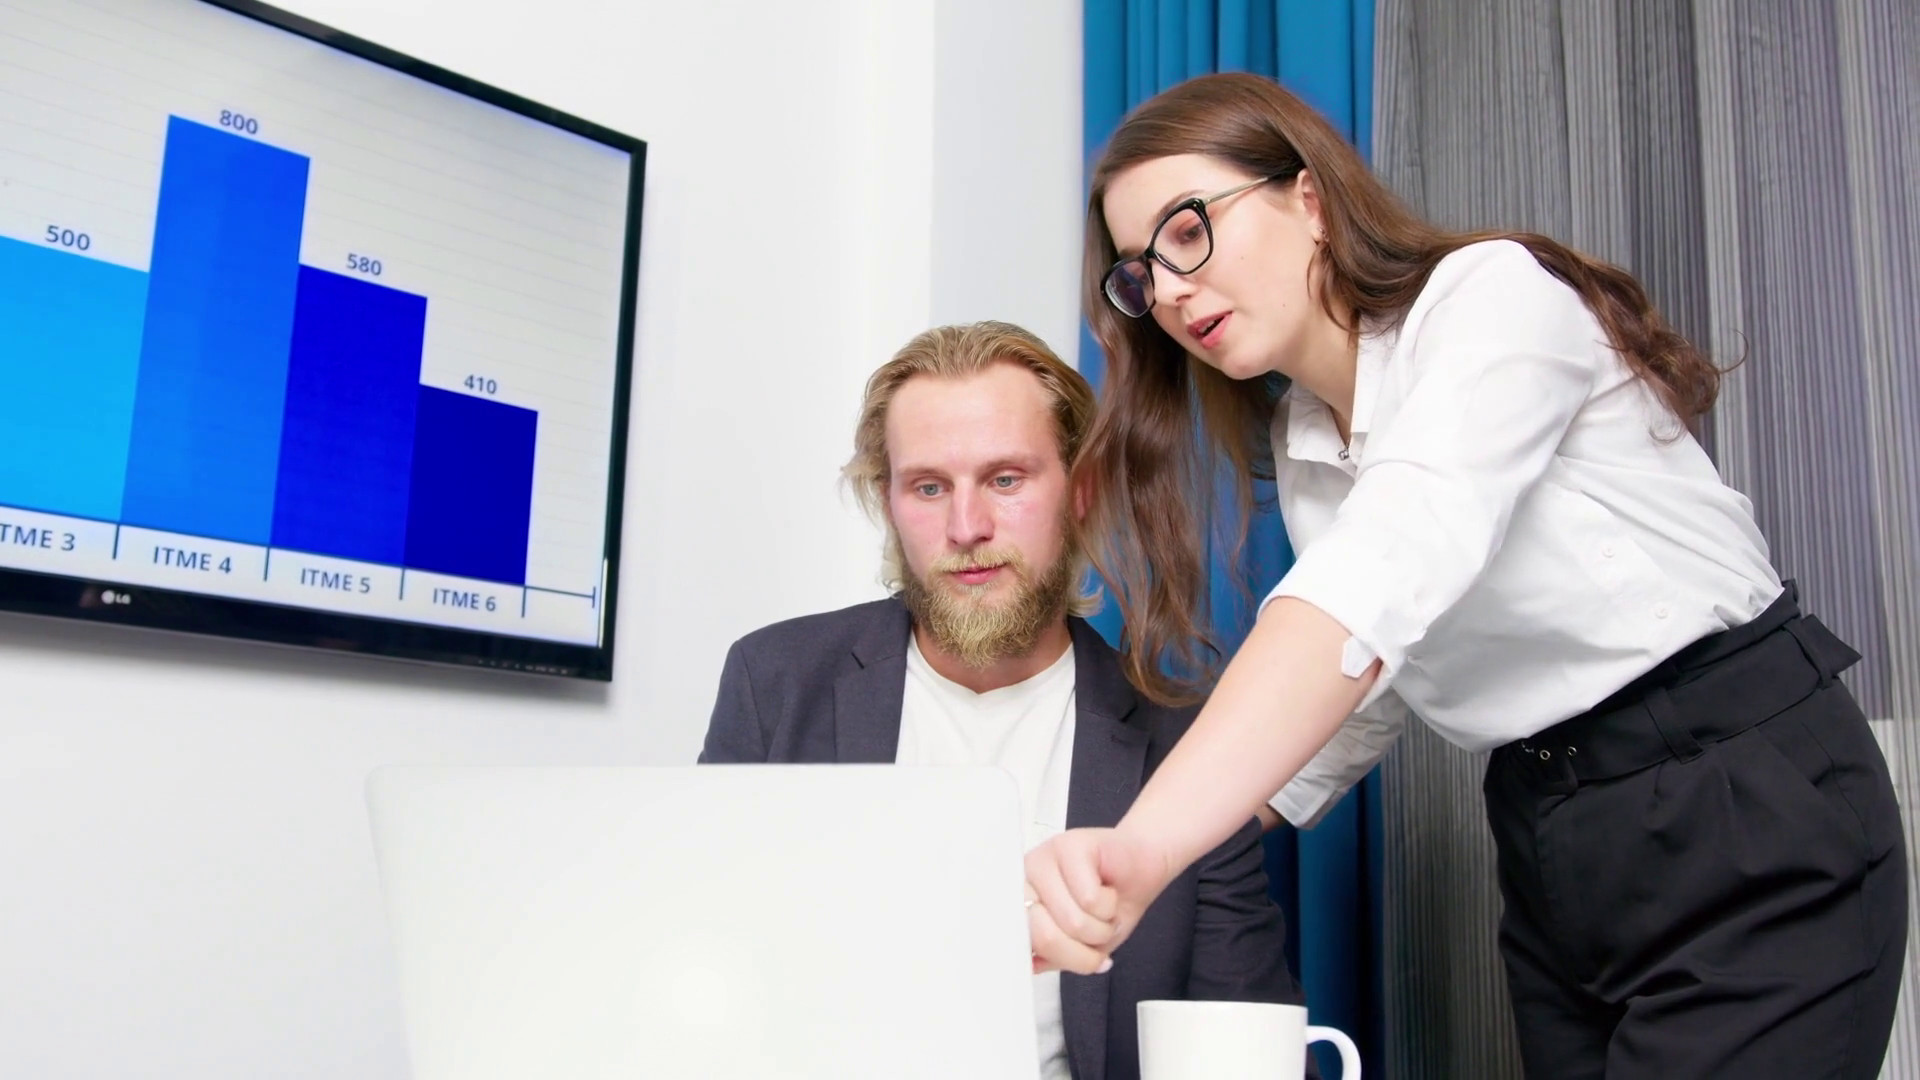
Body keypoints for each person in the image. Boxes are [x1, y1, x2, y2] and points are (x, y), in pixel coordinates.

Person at [1022, 72, 1907, 1079]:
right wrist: (1113, 854)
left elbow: (1381, 577)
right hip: (1553, 836)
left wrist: (1145, 849)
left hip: (1735, 796)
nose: (1171, 291)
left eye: (1188, 232)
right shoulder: (1305, 443)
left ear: (1309, 199)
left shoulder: (1491, 297)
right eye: (1140, 275)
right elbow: (1366, 689)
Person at [699, 320, 1314, 1080]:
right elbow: (702, 976)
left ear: (1080, 491)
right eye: (929, 487)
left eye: (1006, 480)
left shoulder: (1187, 744)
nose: (967, 528)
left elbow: (1252, 1043)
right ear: (889, 502)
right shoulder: (773, 684)